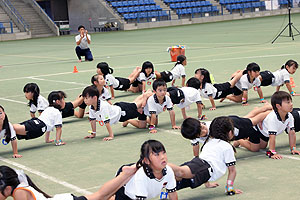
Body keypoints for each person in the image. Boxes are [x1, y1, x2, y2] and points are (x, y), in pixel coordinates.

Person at [169, 117, 242, 195]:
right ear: (230, 133)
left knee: (175, 181)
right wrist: (229, 188)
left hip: (200, 168)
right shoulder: (227, 147)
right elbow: (232, 170)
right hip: (203, 167)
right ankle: (157, 165)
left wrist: (207, 183)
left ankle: (162, 183)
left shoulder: (209, 142)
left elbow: (203, 167)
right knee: (179, 172)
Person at [0, 165, 137, 200]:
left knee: (101, 196)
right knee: (101, 196)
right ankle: (126, 176)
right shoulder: (20, 188)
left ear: (7, 188)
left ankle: (125, 175)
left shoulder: (19, 193)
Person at [236, 91, 300, 159]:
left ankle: (247, 139)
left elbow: (291, 133)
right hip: (256, 129)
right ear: (278, 106)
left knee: (263, 146)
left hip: (265, 133)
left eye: (291, 102)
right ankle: (239, 140)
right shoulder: (273, 118)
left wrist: (293, 148)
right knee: (255, 148)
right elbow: (272, 137)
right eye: (288, 102)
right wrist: (272, 152)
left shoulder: (290, 116)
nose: (291, 104)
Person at [181, 108, 270, 155]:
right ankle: (239, 140)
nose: (205, 129)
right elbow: (195, 146)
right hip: (232, 134)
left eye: (202, 126)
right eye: (201, 132)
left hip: (233, 124)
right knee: (246, 119)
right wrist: (196, 158)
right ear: (196, 136)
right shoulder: (194, 136)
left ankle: (267, 111)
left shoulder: (213, 128)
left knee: (253, 121)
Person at [81, 85, 151, 141]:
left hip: (123, 111)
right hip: (119, 114)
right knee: (135, 104)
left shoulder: (103, 106)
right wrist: (93, 134)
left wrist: (111, 136)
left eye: (86, 98)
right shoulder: (91, 107)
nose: (85, 100)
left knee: (137, 105)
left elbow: (107, 122)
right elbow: (92, 120)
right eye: (84, 98)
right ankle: (145, 95)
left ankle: (147, 95)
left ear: (95, 98)